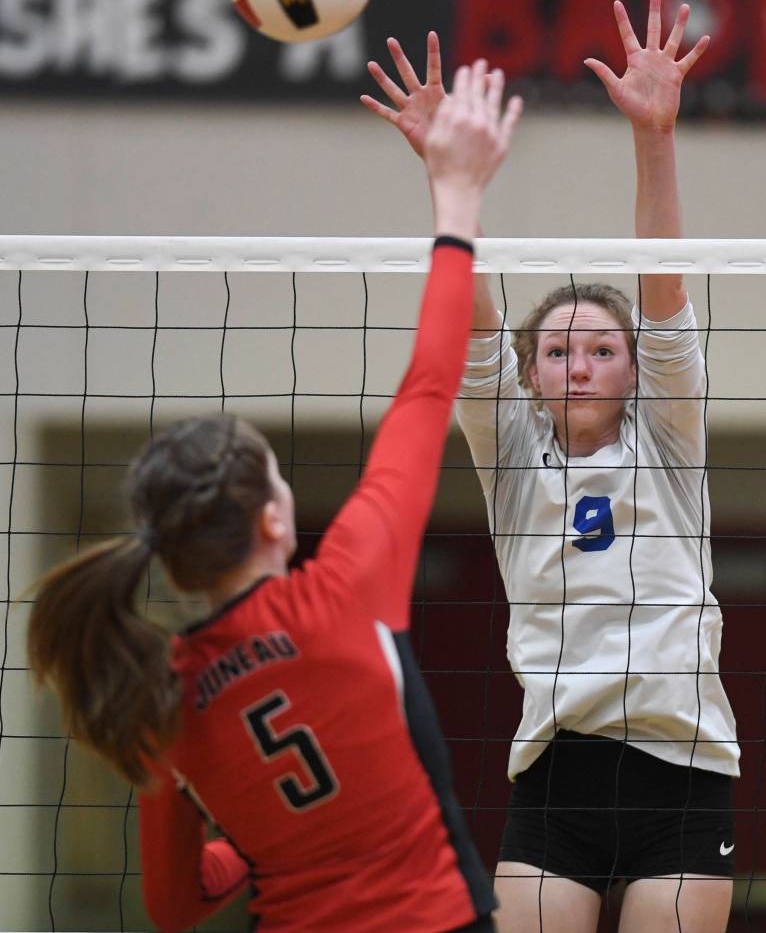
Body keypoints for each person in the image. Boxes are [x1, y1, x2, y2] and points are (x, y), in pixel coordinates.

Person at [27, 62, 523, 933]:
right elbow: (428, 386)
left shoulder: (160, 695)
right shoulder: (346, 586)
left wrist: (261, 843)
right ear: (272, 518)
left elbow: (175, 904)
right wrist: (455, 194)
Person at [362, 0, 739, 933]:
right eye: (561, 350)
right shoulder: (516, 456)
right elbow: (476, 335)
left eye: (602, 350)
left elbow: (662, 297)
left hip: (683, 774)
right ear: (532, 375)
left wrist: (656, 138)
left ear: (634, 372)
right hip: (555, 778)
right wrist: (454, 179)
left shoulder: (668, 439)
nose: (581, 362)